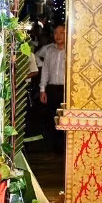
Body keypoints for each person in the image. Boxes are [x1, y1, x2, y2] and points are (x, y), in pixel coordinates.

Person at [39, 24, 66, 153]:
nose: (58, 36)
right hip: (52, 89)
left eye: (62, 33)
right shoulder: (49, 50)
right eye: (56, 33)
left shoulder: (71, 51)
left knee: (65, 117)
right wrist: (42, 90)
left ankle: (65, 146)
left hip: (66, 90)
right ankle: (55, 147)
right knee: (52, 117)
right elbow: (45, 70)